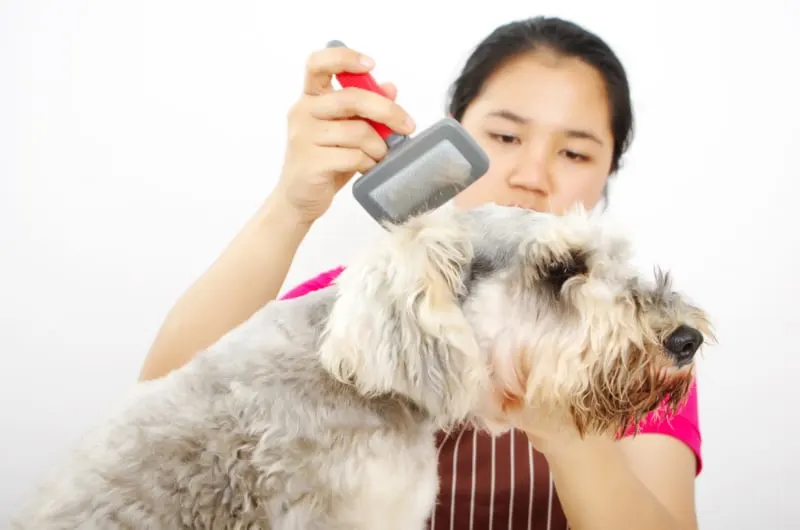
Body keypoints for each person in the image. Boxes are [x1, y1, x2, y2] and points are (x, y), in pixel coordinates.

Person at [138, 16, 703, 530]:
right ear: (452, 139)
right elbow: (155, 423)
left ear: (608, 174)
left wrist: (568, 427)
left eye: (575, 153)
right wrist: (290, 206)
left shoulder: (642, 345)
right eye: (505, 137)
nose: (532, 175)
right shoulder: (364, 309)